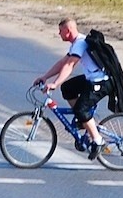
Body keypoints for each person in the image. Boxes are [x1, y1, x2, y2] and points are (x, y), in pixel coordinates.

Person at [34, 18, 113, 160]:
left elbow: (70, 66)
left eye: (60, 31)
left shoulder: (80, 44)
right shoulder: (76, 43)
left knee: (80, 109)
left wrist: (55, 84)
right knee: (68, 88)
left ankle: (98, 141)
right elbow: (62, 63)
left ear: (68, 31)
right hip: (91, 80)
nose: (59, 34)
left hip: (101, 82)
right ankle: (85, 121)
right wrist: (45, 77)